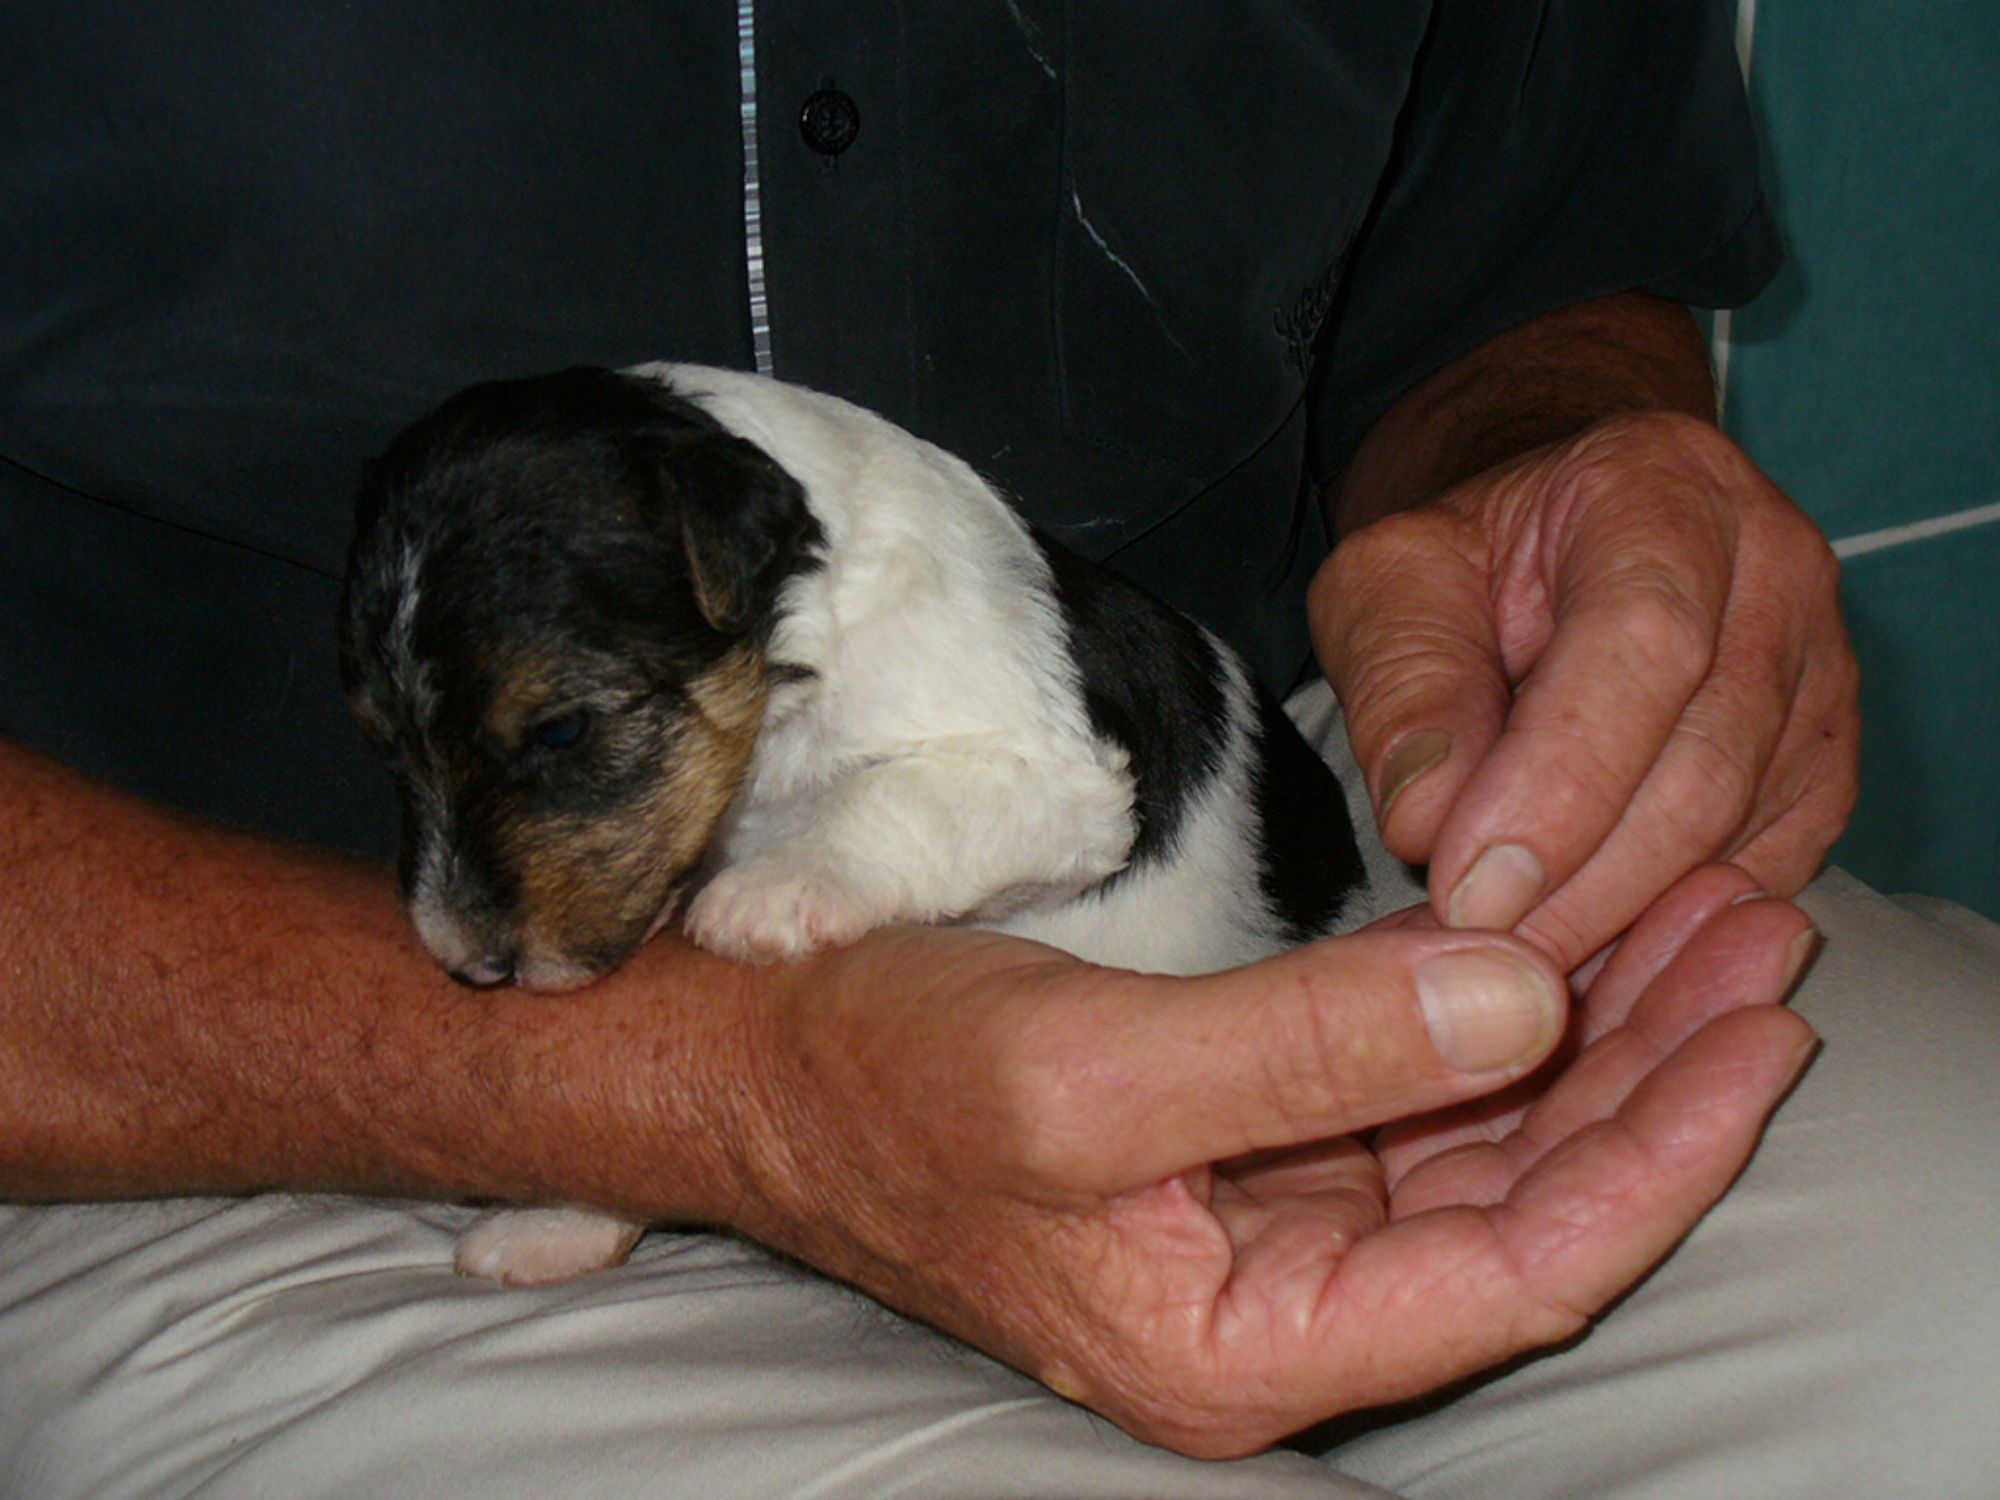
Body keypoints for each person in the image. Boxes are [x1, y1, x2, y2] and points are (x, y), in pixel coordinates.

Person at [1, 4, 1993, 1496]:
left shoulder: (841, 598)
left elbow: (1528, 235)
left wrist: (1557, 467)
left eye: (569, 744)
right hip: (193, 1081)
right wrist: (683, 1108)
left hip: (1291, 866)